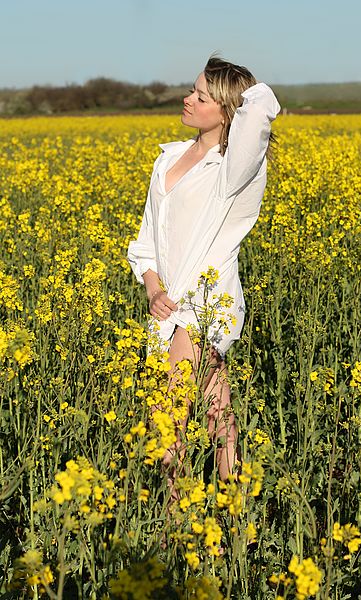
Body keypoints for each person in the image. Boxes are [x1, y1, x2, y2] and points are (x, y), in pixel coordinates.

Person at [127, 53, 281, 507]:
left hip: (207, 300)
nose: (187, 98)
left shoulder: (233, 170)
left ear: (226, 110)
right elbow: (146, 240)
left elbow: (261, 107)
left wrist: (242, 90)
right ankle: (235, 518)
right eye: (192, 89)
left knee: (166, 416)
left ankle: (180, 523)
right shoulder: (168, 160)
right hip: (169, 304)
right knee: (218, 412)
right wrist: (153, 288)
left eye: (201, 95)